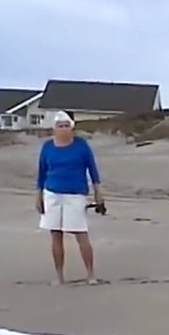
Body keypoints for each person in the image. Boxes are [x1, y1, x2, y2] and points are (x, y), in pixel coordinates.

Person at [36, 111, 105, 285]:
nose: (64, 129)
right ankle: (59, 276)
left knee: (81, 233)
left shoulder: (81, 145)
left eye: (67, 126)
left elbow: (92, 169)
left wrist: (98, 192)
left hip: (76, 193)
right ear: (54, 129)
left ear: (72, 128)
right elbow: (41, 172)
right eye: (60, 126)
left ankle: (91, 274)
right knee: (56, 234)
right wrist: (38, 196)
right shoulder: (47, 147)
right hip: (52, 193)